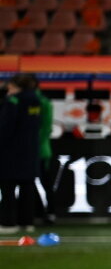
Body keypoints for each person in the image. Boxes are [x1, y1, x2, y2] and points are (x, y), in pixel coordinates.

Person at [0, 74, 44, 234]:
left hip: (11, 151)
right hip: (30, 149)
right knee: (27, 187)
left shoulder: (13, 101)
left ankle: (8, 223)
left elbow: (5, 127)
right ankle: (27, 222)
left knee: (8, 188)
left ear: (16, 86)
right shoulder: (36, 101)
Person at [25, 74, 56, 225]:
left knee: (41, 182)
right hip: (37, 148)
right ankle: (44, 212)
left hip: (38, 150)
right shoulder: (38, 101)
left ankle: (47, 212)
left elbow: (45, 127)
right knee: (38, 183)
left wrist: (34, 145)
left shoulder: (40, 102)